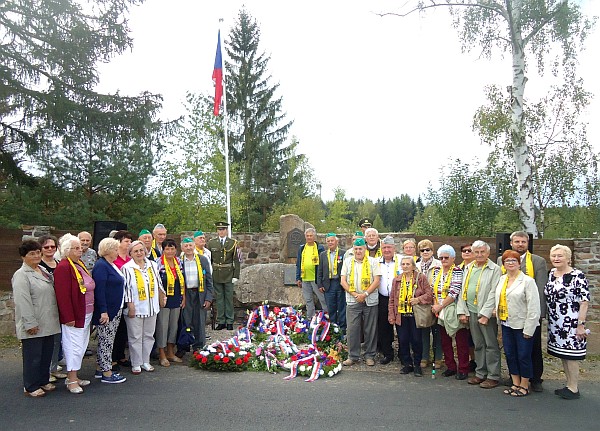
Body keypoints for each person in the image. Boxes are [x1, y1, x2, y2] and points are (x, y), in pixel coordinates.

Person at [497, 231, 548, 392]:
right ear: (511, 243)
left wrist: (537, 316)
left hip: (530, 314)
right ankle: (515, 379)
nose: (520, 244)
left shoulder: (537, 261)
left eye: (523, 242)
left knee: (530, 349)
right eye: (517, 241)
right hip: (508, 316)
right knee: (511, 351)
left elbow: (540, 289)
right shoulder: (501, 261)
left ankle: (535, 379)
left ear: (527, 243)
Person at [13, 240, 61, 397]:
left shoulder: (42, 270)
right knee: (33, 356)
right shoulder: (21, 275)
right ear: (23, 257)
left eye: (38, 253)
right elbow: (22, 301)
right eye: (31, 253)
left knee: (46, 354)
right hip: (34, 322)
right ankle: (31, 386)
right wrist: (30, 323)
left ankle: (43, 380)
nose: (36, 256)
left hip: (48, 321)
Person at [545, 244, 590, 400]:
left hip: (571, 322)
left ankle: (574, 387)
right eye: (554, 256)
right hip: (555, 323)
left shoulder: (578, 275)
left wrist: (580, 324)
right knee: (563, 354)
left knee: (572, 355)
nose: (556, 259)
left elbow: (584, 301)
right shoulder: (551, 274)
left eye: (560, 256)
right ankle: (568, 384)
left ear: (568, 258)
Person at [457, 240, 502, 389]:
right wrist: (462, 310)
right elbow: (463, 290)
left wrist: (486, 313)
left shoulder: (495, 269)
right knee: (478, 344)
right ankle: (480, 373)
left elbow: (494, 292)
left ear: (488, 253)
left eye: (482, 252)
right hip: (471, 311)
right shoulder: (469, 267)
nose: (479, 254)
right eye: (476, 252)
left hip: (485, 313)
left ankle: (493, 375)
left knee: (490, 344)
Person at [53, 234, 94, 394]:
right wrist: (68, 316)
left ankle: (75, 376)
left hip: (86, 312)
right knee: (73, 346)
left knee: (81, 345)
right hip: (75, 315)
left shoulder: (79, 263)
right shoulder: (64, 267)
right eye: (76, 248)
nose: (81, 250)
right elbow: (62, 295)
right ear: (66, 250)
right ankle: (71, 379)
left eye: (80, 248)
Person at [122, 240, 166, 374]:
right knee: (135, 336)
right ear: (130, 253)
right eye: (136, 251)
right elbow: (127, 289)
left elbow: (158, 283)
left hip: (151, 306)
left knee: (148, 335)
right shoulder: (127, 268)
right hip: (135, 307)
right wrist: (130, 305)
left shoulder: (152, 265)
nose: (139, 253)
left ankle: (145, 361)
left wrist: (162, 297)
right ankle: (136, 363)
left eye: (141, 250)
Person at [388, 256, 433, 377]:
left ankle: (417, 364)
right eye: (403, 264)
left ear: (413, 266)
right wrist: (391, 315)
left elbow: (429, 294)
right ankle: (407, 364)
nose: (405, 266)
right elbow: (392, 299)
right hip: (401, 315)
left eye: (408, 264)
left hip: (415, 315)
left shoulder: (420, 278)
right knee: (403, 340)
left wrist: (418, 299)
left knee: (416, 340)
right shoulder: (396, 280)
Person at [340, 238, 381, 367]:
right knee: (352, 329)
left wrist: (365, 294)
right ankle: (353, 356)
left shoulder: (373, 262)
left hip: (370, 299)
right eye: (356, 249)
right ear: (353, 249)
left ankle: (370, 355)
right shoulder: (347, 262)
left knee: (370, 329)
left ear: (365, 249)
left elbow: (377, 280)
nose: (358, 251)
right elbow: (343, 281)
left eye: (361, 249)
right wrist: (355, 294)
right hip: (353, 299)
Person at [430, 245, 469, 380]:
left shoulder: (458, 271)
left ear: (453, 258)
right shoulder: (436, 271)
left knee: (460, 340)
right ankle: (450, 366)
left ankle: (463, 368)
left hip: (453, 307)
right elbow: (432, 289)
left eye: (446, 257)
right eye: (441, 257)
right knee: (444, 340)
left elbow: (454, 292)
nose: (443, 260)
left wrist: (440, 306)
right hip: (440, 308)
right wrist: (435, 304)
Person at [91, 238, 127, 384]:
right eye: (116, 249)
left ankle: (101, 367)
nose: (118, 252)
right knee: (106, 340)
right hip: (108, 311)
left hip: (115, 308)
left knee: (108, 340)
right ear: (109, 250)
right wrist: (104, 311)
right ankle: (107, 372)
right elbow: (100, 290)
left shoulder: (110, 265)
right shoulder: (101, 266)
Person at [37, 234, 66, 381]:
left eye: (52, 246)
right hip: (46, 308)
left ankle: (53, 368)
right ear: (41, 248)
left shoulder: (59, 262)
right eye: (46, 247)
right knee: (46, 341)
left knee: (57, 341)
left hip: (60, 307)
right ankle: (44, 371)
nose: (50, 249)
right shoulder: (38, 266)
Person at [156, 239, 186, 367]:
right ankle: (161, 353)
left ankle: (170, 352)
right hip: (164, 299)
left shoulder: (179, 262)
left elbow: (182, 281)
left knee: (173, 327)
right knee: (162, 326)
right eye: (167, 249)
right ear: (163, 250)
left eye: (172, 248)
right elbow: (156, 281)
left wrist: (183, 297)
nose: (170, 251)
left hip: (176, 298)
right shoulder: (157, 263)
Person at [181, 237, 214, 351]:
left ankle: (199, 347)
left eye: (190, 245)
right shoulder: (179, 261)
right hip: (186, 294)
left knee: (199, 322)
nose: (189, 248)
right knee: (185, 320)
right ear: (182, 248)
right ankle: (183, 347)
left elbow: (209, 281)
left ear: (194, 246)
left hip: (200, 293)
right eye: (186, 246)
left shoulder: (203, 260)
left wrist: (209, 298)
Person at [206, 221, 240, 330]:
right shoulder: (212, 243)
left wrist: (236, 275)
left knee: (229, 298)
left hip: (229, 273)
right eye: (219, 229)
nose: (221, 231)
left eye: (223, 229)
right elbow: (209, 260)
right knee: (219, 298)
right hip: (216, 274)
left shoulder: (233, 243)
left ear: (226, 230)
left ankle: (230, 321)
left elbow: (237, 260)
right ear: (217, 231)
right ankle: (221, 321)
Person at [416, 239, 442, 370]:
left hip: (436, 301)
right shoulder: (416, 265)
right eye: (422, 250)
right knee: (424, 331)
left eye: (428, 250)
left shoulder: (439, 264)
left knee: (437, 331)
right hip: (422, 302)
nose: (425, 252)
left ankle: (438, 358)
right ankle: (424, 357)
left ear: (432, 251)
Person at [111, 230, 133, 370]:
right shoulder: (114, 259)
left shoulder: (130, 259)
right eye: (126, 241)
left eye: (130, 241)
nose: (129, 244)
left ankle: (121, 355)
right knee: (115, 330)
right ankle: (112, 358)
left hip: (129, 298)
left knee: (124, 329)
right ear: (118, 242)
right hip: (116, 298)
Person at [377, 236, 400, 365]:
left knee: (401, 326)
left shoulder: (401, 260)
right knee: (384, 327)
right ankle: (387, 353)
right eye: (384, 247)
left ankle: (403, 353)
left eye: (389, 247)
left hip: (399, 299)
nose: (386, 250)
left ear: (394, 248)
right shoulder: (376, 262)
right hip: (383, 298)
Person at [295, 227, 327, 319]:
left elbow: (323, 264)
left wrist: (321, 279)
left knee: (322, 299)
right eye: (307, 236)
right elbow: (298, 263)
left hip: (316, 279)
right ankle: (310, 318)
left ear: (314, 237)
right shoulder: (302, 248)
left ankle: (327, 318)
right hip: (305, 278)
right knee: (308, 300)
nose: (309, 237)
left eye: (311, 236)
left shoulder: (319, 248)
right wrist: (298, 278)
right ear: (305, 237)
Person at [317, 233, 346, 331]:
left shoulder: (343, 253)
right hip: (328, 284)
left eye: (332, 240)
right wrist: (319, 284)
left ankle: (342, 328)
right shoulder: (323, 254)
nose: (330, 243)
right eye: (328, 241)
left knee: (342, 307)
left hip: (340, 283)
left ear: (336, 242)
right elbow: (319, 270)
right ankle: (333, 327)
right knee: (331, 307)